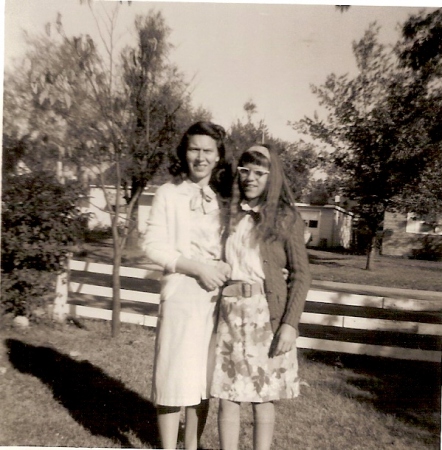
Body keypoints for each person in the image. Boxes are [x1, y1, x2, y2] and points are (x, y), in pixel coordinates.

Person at [210, 144, 311, 450]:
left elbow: (301, 275)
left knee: (263, 396)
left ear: (272, 177)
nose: (250, 178)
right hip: (229, 314)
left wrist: (290, 325)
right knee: (228, 395)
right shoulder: (227, 215)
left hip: (265, 316)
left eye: (258, 173)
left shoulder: (286, 218)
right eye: (244, 171)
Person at [143, 121, 232, 449]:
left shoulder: (222, 199)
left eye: (208, 150)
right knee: (172, 374)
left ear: (218, 156)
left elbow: (231, 245)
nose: (200, 157)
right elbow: (152, 245)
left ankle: (191, 446)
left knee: (202, 379)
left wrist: (225, 264)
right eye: (194, 149)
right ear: (184, 152)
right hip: (181, 293)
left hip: (215, 300)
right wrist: (195, 268)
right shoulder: (168, 194)